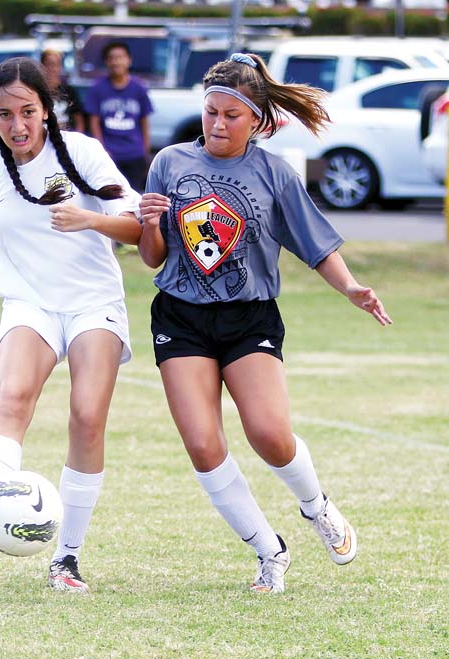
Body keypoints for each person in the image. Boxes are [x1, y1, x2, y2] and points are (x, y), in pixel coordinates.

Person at [138, 53, 393, 594]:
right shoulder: (169, 162)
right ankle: (268, 552)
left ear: (256, 120)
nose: (218, 124)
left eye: (231, 115)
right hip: (180, 317)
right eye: (211, 111)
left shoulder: (274, 173)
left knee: (270, 435)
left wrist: (350, 287)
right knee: (203, 446)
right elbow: (152, 256)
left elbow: (316, 245)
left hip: (249, 316)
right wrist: (149, 224)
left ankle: (316, 507)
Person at [0, 57, 142, 594]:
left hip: (92, 303)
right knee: (12, 398)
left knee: (86, 417)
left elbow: (135, 226)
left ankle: (67, 559)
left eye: (27, 111)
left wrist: (88, 218)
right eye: (4, 114)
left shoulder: (81, 153)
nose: (17, 125)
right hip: (29, 303)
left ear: (46, 110)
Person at [85, 41, 153, 193]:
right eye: (112, 58)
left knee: (134, 195)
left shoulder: (139, 88)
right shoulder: (97, 88)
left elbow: (144, 122)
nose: (116, 62)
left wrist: (145, 152)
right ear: (106, 62)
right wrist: (102, 151)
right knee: (110, 195)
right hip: (110, 154)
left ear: (129, 60)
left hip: (134, 154)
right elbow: (94, 123)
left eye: (120, 57)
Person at [40, 48, 85, 132]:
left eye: (56, 64)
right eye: (49, 64)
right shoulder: (37, 91)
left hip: (66, 135)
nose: (53, 69)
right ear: (42, 66)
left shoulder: (69, 91)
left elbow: (79, 121)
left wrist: (77, 136)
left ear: (61, 67)